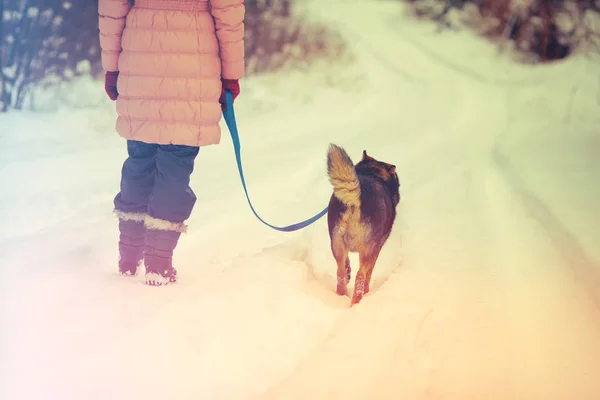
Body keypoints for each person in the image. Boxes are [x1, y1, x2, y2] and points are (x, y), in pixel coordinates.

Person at [98, 0, 245, 285]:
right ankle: (158, 262)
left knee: (139, 161)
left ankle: (129, 257)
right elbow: (229, 16)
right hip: (194, 59)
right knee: (175, 168)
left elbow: (111, 8)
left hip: (139, 55)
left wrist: (112, 66)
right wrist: (230, 74)